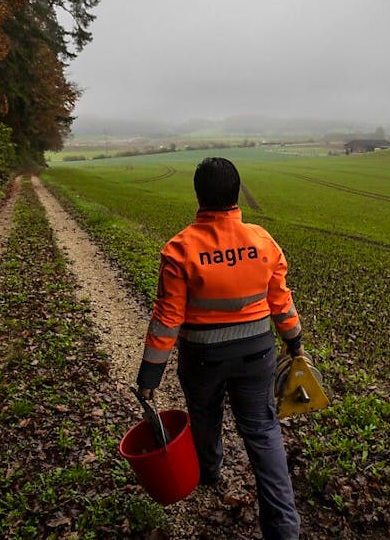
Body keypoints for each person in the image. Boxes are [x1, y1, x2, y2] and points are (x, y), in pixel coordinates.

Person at [136, 157, 303, 540]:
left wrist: (149, 376)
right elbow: (282, 302)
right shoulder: (263, 241)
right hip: (258, 355)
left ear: (199, 196)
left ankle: (209, 471)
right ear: (236, 193)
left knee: (205, 416)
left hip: (202, 359)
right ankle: (284, 528)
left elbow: (167, 319)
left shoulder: (179, 249)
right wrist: (294, 342)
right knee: (262, 431)